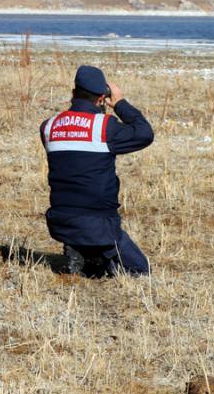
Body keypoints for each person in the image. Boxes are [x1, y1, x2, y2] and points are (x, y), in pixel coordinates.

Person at [40, 65, 154, 277]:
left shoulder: (48, 126)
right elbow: (145, 133)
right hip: (101, 225)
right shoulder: (104, 127)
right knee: (140, 270)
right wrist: (120, 103)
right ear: (102, 98)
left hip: (60, 222)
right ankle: (96, 257)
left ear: (73, 93)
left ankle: (81, 250)